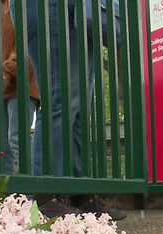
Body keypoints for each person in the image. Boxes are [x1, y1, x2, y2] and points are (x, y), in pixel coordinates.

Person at [10, 0, 126, 220]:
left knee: (78, 105)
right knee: (61, 98)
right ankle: (44, 196)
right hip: (53, 7)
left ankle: (76, 193)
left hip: (73, 9)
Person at [1, 0, 40, 175]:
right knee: (1, 146)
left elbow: (26, 44)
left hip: (22, 82)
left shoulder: (22, 5)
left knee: (18, 138)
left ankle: (35, 191)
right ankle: (5, 194)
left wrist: (6, 72)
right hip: (1, 86)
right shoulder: (0, 8)